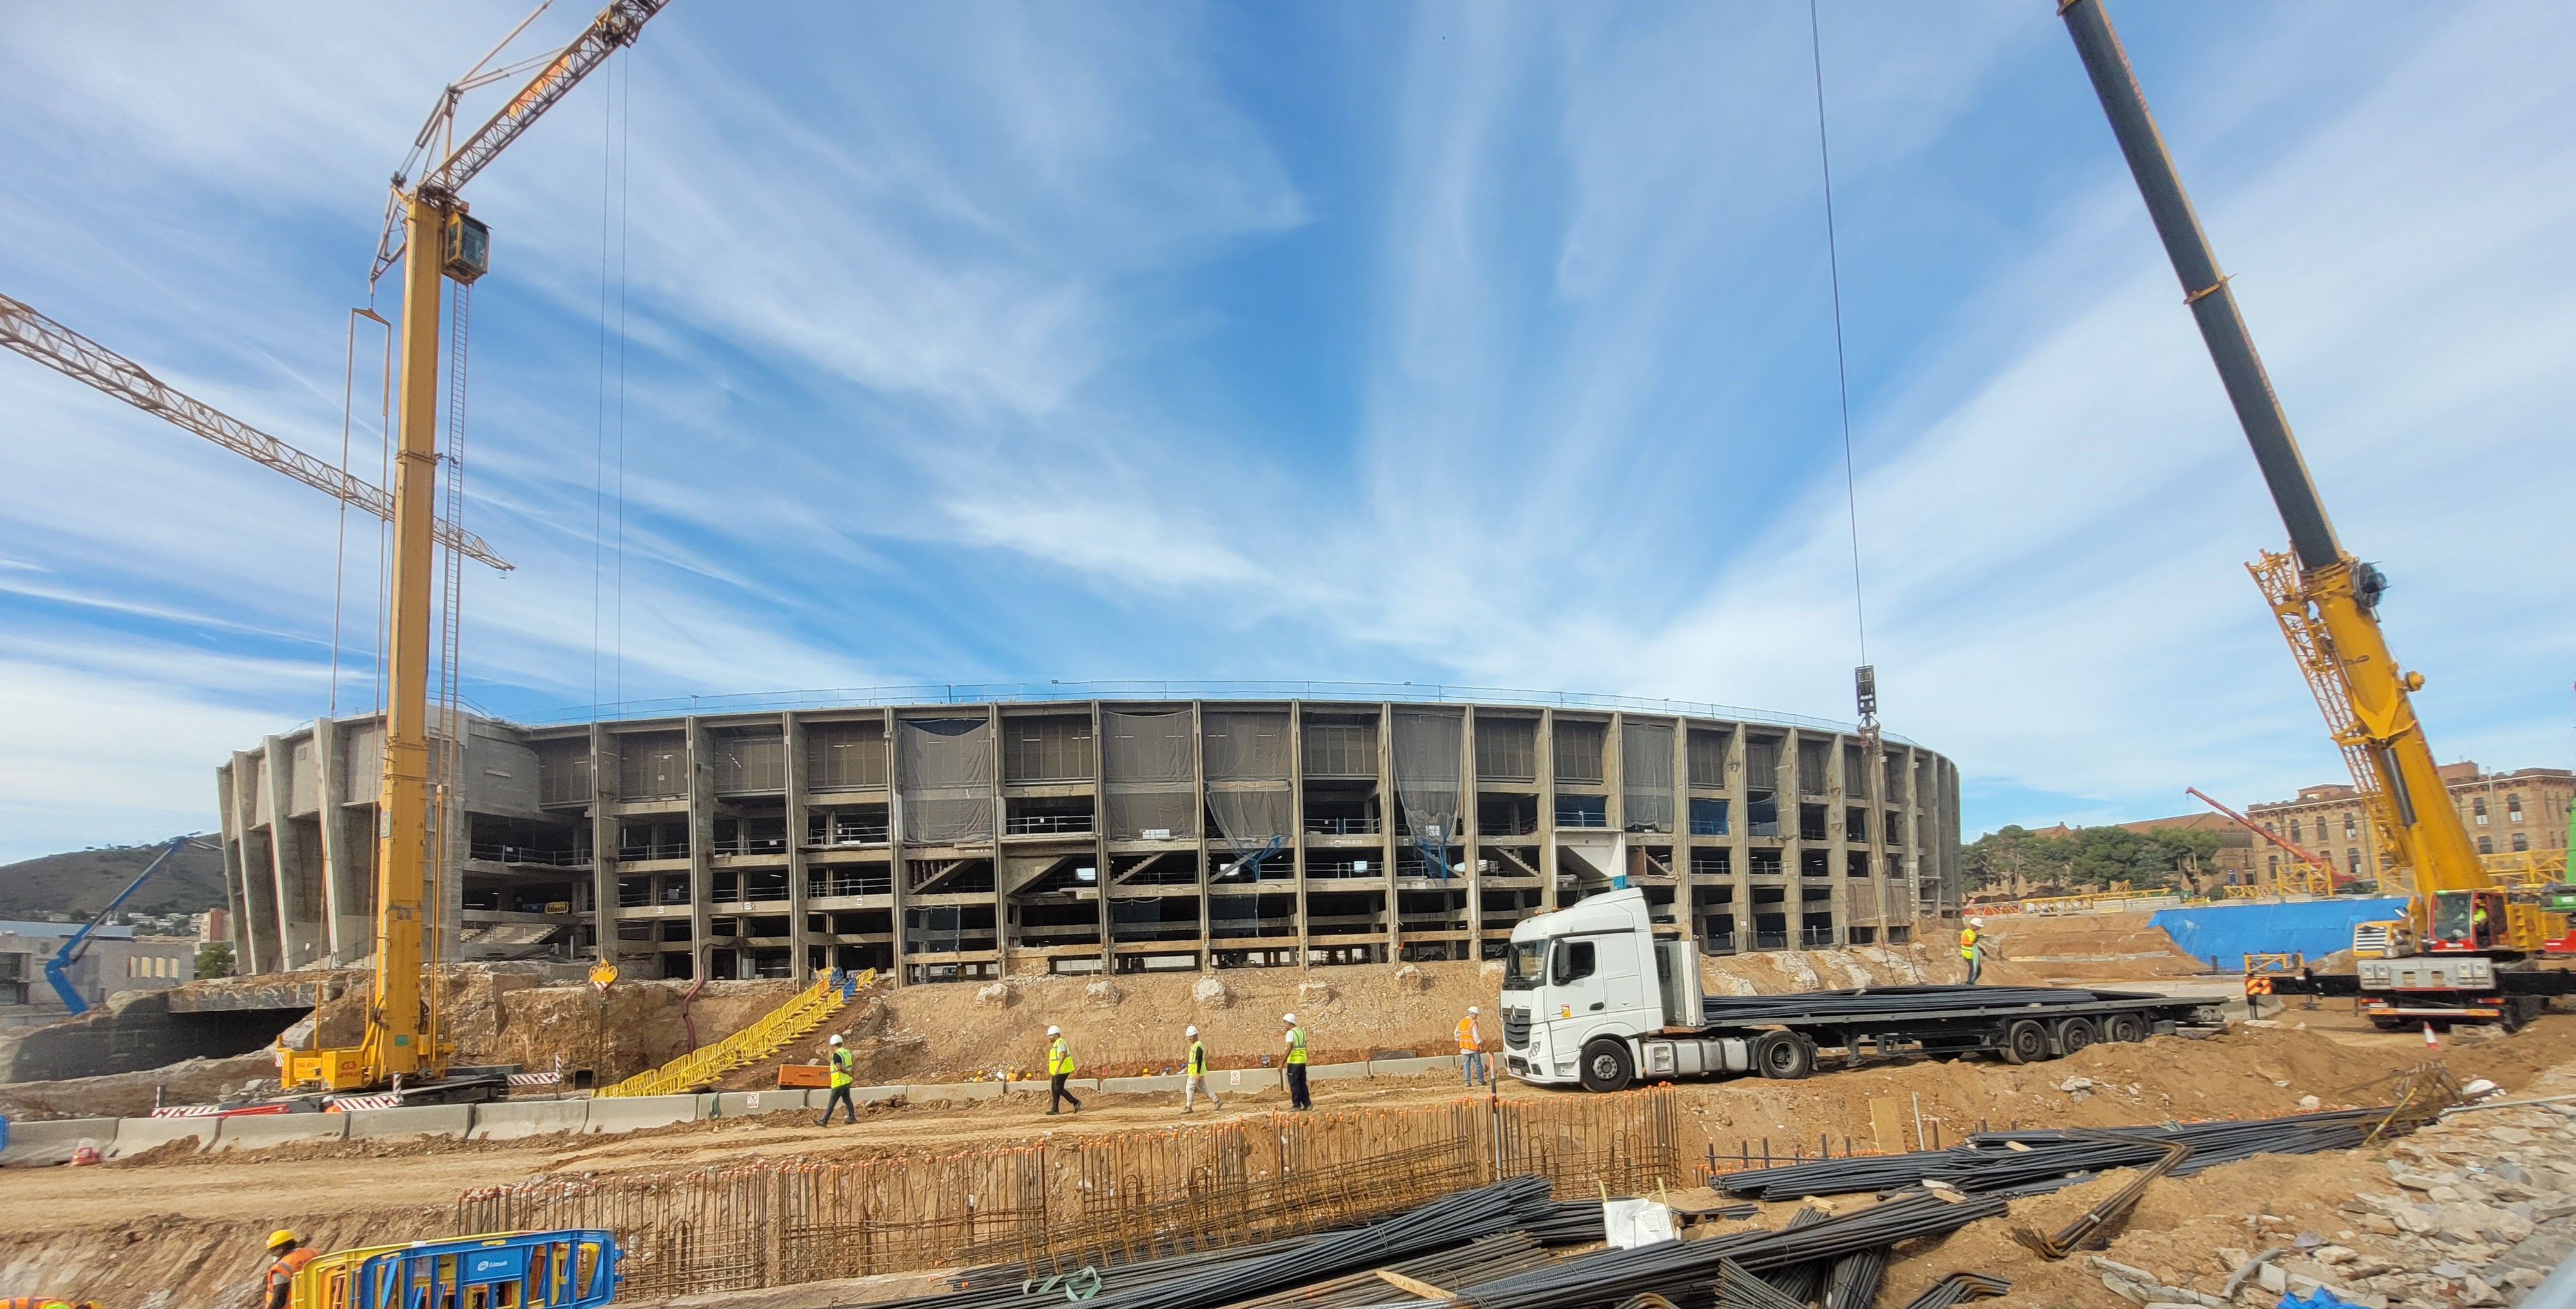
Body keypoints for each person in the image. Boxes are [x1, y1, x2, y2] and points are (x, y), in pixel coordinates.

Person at [262, 1230, 318, 1309]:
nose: (272, 1254)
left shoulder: (282, 1267)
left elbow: (279, 1299)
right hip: (316, 1302)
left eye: (273, 1250)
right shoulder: (312, 1253)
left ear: (281, 1249)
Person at [817, 1033, 858, 1125]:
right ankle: (852, 1117)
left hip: (839, 1082)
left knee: (832, 1103)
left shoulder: (836, 1055)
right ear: (841, 1043)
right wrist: (850, 1074)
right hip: (846, 1081)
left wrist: (849, 1073)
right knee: (847, 1100)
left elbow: (839, 1068)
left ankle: (824, 1121)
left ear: (832, 1045)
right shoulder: (846, 1052)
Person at [1182, 1024, 1223, 1114]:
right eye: (1189, 1037)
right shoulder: (1194, 1045)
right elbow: (1193, 1060)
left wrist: (1197, 1073)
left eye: (1191, 1037)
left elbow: (1199, 1060)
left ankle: (1188, 1106)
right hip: (1194, 1072)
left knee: (1190, 1087)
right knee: (1205, 1088)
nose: (1189, 1039)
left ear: (1196, 1036)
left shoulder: (1198, 1047)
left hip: (1195, 1073)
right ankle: (1217, 1101)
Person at [1046, 1025, 1081, 1115]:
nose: (1049, 1038)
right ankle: (1055, 1109)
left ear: (1057, 1035)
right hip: (1058, 1070)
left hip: (1062, 1070)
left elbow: (1063, 1054)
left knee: (1058, 1088)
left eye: (1051, 1035)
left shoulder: (1060, 1042)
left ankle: (1075, 1101)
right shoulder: (1057, 1043)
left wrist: (1058, 1067)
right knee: (1055, 1089)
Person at [1281, 1013, 1312, 1110]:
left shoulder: (1290, 1033)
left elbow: (1289, 1048)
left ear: (1290, 1023)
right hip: (1302, 1061)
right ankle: (1307, 1104)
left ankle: (1297, 1105)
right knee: (1302, 1083)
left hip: (1294, 1062)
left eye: (1285, 1022)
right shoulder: (1302, 1032)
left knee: (1294, 1084)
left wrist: (1281, 1063)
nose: (1284, 1025)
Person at [1456, 1006, 1488, 1087]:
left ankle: (1467, 1082)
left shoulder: (1461, 1022)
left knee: (1466, 1064)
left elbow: (1456, 1034)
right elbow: (1475, 1036)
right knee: (1477, 1063)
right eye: (1476, 1015)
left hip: (1464, 1048)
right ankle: (1480, 1081)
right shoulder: (1472, 1023)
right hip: (1473, 1048)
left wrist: (1460, 1040)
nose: (1476, 1017)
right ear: (1472, 1014)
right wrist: (1479, 1044)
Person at [1960, 918, 1989, 985]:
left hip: (1974, 954)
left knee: (1978, 970)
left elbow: (1975, 944)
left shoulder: (1973, 933)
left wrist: (1982, 950)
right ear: (1974, 925)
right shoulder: (1967, 932)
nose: (1979, 928)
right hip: (1968, 954)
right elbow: (1964, 942)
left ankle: (1971, 982)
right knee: (1973, 969)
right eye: (1979, 927)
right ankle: (1970, 983)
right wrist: (1973, 943)